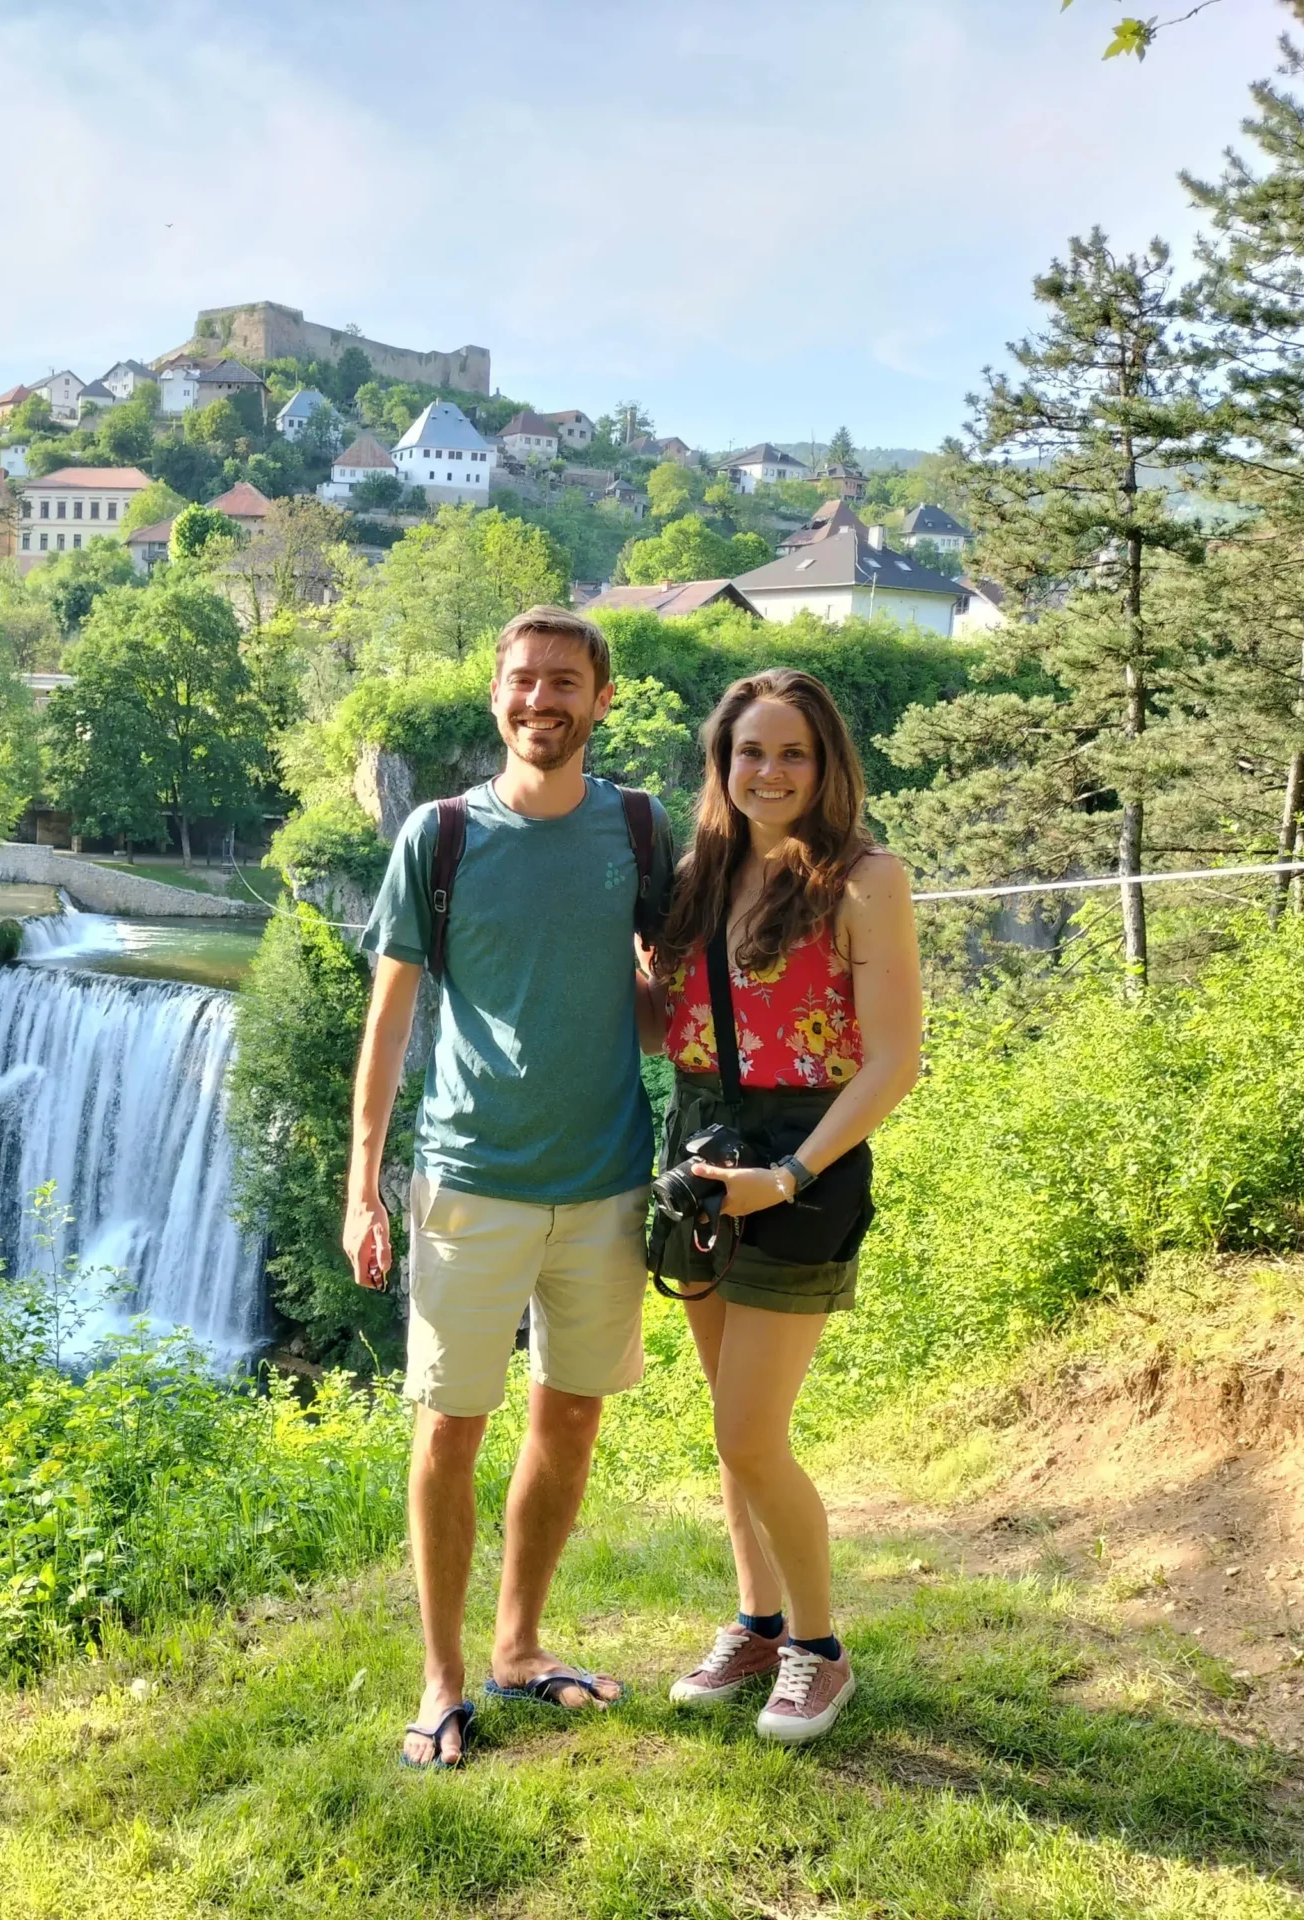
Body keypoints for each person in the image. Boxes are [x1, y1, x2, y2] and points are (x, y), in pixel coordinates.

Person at [346, 605, 671, 1769]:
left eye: (566, 683)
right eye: (525, 681)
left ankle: (519, 1648)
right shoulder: (436, 839)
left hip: (604, 1181)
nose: (544, 701)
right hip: (468, 1181)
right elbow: (388, 1024)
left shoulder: (637, 830)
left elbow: (653, 1003)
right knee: (448, 1431)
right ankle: (441, 1678)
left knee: (571, 1413)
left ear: (602, 699)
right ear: (497, 697)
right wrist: (362, 1185)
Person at [649, 668, 922, 1743]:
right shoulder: (698, 875)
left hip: (802, 1158)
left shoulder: (864, 880)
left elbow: (892, 1059)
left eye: (792, 753)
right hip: (703, 1144)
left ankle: (818, 1649)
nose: (768, 772)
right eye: (748, 752)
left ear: (826, 766)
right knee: (733, 1431)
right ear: (721, 763)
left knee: (748, 1429)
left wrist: (795, 1174)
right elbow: (654, 1027)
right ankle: (756, 1620)